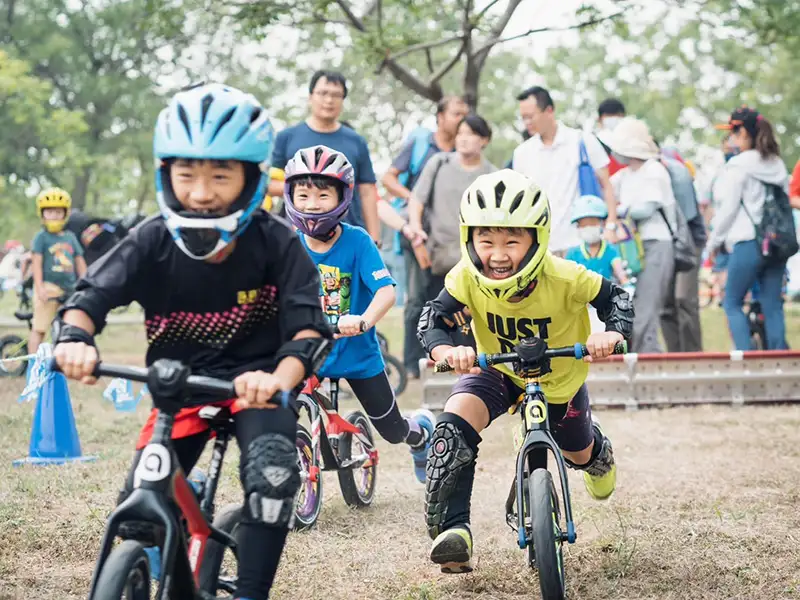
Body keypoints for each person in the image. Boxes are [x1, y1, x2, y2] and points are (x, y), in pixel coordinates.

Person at [52, 83, 333, 600]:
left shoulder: (278, 242)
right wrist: (74, 337)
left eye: (220, 176)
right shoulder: (152, 237)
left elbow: (308, 331)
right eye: (187, 175)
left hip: (261, 385)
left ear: (250, 179)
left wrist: (277, 379)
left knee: (272, 479)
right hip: (179, 388)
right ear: (166, 175)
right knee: (139, 515)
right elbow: (89, 295)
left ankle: (250, 593)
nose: (201, 193)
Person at [416, 169, 634, 573]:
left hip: (560, 378)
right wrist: (446, 348)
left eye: (512, 241)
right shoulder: (466, 277)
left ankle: (596, 454)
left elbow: (616, 299)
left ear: (537, 239)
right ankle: (454, 532)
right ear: (470, 240)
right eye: (486, 241)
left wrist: (612, 334)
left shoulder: (566, 275)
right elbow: (434, 317)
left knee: (579, 452)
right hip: (498, 370)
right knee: (453, 424)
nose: (498, 255)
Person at [283, 144, 435, 482]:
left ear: (342, 197)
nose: (312, 204)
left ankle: (421, 433)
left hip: (357, 353)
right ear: (290, 195)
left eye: (323, 195)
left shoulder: (357, 241)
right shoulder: (287, 243)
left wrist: (363, 320)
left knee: (392, 429)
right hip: (307, 353)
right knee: (276, 409)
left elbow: (385, 290)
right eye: (303, 194)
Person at [382, 95, 469, 379]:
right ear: (440, 117)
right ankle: (410, 364)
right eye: (456, 114)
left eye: (464, 115)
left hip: (450, 238)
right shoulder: (421, 145)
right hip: (417, 234)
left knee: (452, 297)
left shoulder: (463, 150)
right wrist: (416, 198)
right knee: (417, 299)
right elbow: (389, 179)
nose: (461, 120)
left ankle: (447, 357)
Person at [708, 106, 790, 350]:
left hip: (748, 242)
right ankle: (780, 364)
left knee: (732, 302)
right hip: (777, 244)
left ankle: (746, 359)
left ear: (743, 132)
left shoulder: (738, 165)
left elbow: (728, 209)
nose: (731, 138)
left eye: (733, 132)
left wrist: (714, 243)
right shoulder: (777, 163)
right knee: (771, 304)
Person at [268, 70, 381, 244]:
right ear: (310, 96)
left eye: (336, 95)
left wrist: (375, 238)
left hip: (348, 237)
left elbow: (367, 192)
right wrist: (308, 186)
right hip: (296, 238)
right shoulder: (286, 137)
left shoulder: (356, 141)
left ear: (343, 100)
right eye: (323, 93)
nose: (329, 100)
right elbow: (268, 184)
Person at [512, 86, 619, 255]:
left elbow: (607, 185)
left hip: (581, 244)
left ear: (549, 110)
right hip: (541, 247)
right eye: (523, 118)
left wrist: (611, 226)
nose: (526, 123)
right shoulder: (522, 153)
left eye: (530, 116)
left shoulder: (582, 141)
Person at [606, 117, 677, 353]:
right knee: (633, 309)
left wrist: (620, 210)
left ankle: (649, 368)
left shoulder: (654, 170)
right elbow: (605, 190)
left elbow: (645, 209)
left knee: (646, 312)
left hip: (656, 244)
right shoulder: (625, 175)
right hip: (633, 248)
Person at [408, 114, 496, 300]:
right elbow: (417, 199)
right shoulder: (440, 163)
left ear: (484, 140)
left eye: (471, 134)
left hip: (476, 262)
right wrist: (416, 230)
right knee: (433, 315)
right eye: (460, 133)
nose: (463, 138)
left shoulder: (493, 175)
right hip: (438, 259)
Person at [30, 187, 87, 353]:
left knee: (69, 326)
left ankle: (62, 359)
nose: (54, 215)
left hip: (70, 289)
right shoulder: (42, 237)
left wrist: (85, 282)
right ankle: (33, 363)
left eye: (57, 212)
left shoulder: (70, 237)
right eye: (49, 212)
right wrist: (40, 287)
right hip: (48, 288)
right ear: (42, 214)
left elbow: (79, 261)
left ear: (65, 214)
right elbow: (36, 263)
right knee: (40, 328)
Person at [596, 97, 627, 176]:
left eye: (617, 115)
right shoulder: (594, 142)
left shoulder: (632, 143)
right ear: (599, 119)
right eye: (608, 115)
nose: (613, 118)